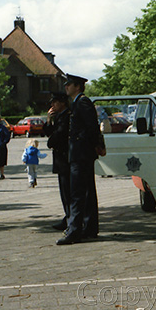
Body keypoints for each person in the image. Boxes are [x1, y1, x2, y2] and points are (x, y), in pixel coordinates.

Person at [57, 74, 106, 245]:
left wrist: (95, 145)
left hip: (81, 153)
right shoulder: (78, 102)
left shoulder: (82, 102)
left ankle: (75, 230)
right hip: (81, 152)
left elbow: (92, 127)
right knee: (86, 192)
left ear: (77, 86)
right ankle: (89, 228)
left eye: (69, 84)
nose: (66, 87)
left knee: (77, 193)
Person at [44, 92, 71, 231]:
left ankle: (70, 218)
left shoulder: (67, 116)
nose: (52, 105)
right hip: (60, 159)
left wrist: (51, 142)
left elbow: (58, 136)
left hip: (66, 158)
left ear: (62, 103)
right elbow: (48, 132)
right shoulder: (59, 117)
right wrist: (49, 119)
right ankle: (68, 217)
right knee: (64, 191)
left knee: (68, 191)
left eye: (55, 102)